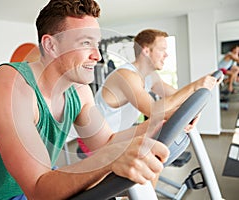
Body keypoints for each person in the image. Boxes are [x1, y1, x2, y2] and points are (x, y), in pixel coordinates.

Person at [0, 1, 170, 199]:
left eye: (97, 43)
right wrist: (109, 159)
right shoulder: (10, 88)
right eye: (85, 43)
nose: (98, 55)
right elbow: (38, 188)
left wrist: (158, 124)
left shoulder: (79, 91)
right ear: (51, 45)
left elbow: (105, 141)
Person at [77, 28, 220, 198]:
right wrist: (195, 86)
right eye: (162, 49)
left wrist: (196, 99)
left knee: (154, 152)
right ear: (146, 50)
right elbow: (154, 110)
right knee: (149, 155)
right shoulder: (126, 75)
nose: (166, 55)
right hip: (97, 142)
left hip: (118, 137)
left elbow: (177, 96)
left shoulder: (150, 77)